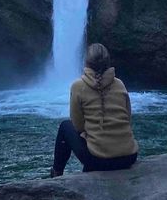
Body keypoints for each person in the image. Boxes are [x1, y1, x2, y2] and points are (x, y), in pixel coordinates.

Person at [51, 43, 139, 176]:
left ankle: (56, 173)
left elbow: (78, 125)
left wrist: (91, 134)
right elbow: (127, 117)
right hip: (129, 157)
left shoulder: (78, 86)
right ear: (108, 62)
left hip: (99, 160)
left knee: (65, 126)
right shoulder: (119, 84)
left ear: (86, 62)